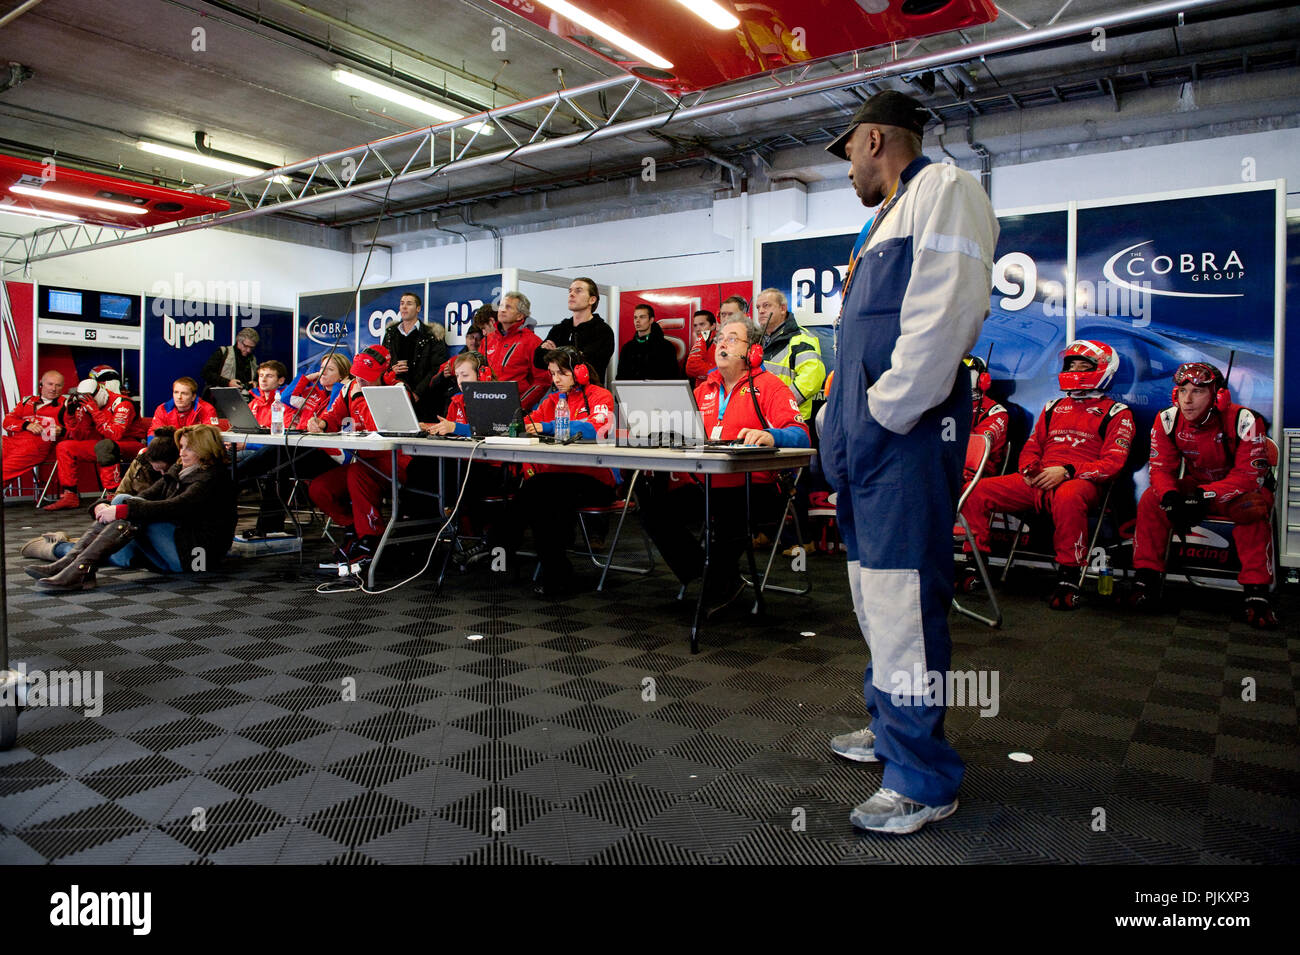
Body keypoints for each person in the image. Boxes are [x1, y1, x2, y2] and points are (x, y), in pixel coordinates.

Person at [821, 89, 999, 834]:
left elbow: (947, 313)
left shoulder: (944, 190)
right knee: (872, 594)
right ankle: (890, 727)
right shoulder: (880, 219)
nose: (848, 172)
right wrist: (841, 422)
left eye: (849, 155)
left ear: (873, 140)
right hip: (865, 439)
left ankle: (923, 775)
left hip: (905, 434)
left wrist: (887, 412)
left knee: (904, 605)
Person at [637, 318, 809, 614]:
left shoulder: (770, 386)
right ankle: (715, 579)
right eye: (720, 339)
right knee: (653, 510)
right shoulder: (704, 388)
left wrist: (771, 435)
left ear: (752, 351)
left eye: (732, 338)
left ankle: (716, 582)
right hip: (708, 485)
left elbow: (800, 434)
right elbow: (686, 433)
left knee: (729, 510)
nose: (722, 344)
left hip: (759, 488)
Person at [960, 340, 1134, 608]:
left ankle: (1068, 576)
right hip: (1039, 479)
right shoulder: (1053, 407)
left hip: (1080, 482)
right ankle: (977, 565)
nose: (1074, 369)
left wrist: (1067, 471)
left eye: (1082, 365)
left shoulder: (1117, 413)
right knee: (978, 491)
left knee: (1068, 496)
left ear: (1102, 370)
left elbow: (1113, 464)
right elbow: (1032, 446)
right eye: (1071, 364)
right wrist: (1029, 469)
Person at [1128, 361, 1279, 629]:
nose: (1187, 399)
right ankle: (1146, 579)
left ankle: (1256, 592)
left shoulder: (1244, 420)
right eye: (1182, 390)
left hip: (1238, 492)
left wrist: (1202, 495)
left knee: (1253, 507)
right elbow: (1161, 469)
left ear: (1218, 396)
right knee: (1153, 498)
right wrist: (1171, 496)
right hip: (1198, 488)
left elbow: (1248, 478)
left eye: (1197, 391)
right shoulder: (1167, 419)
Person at [25, 424, 235, 589]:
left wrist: (120, 509)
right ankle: (70, 564)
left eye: (189, 448)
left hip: (197, 557)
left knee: (123, 512)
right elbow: (143, 496)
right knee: (120, 519)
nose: (182, 453)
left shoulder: (213, 477)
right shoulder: (182, 470)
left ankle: (62, 556)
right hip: (173, 548)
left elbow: (175, 507)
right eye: (181, 446)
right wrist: (103, 505)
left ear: (204, 448)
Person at [478, 347, 617, 596]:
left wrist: (548, 426)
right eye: (552, 374)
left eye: (562, 373)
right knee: (536, 497)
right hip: (554, 481)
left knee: (539, 493)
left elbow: (598, 429)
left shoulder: (600, 396)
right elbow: (528, 423)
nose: (556, 379)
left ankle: (505, 560)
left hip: (594, 480)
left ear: (580, 371)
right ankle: (529, 566)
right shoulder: (551, 400)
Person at [306, 345, 409, 562]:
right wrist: (321, 422)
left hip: (394, 463)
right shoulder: (350, 387)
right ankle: (354, 529)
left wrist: (358, 397)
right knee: (320, 488)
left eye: (367, 376)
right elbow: (333, 416)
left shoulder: (397, 389)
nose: (360, 380)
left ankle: (370, 539)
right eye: (358, 375)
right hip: (364, 462)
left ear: (383, 372)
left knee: (356, 473)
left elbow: (379, 428)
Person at [44, 365, 149, 509]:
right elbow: (79, 435)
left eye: (89, 398)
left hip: (130, 445)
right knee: (65, 446)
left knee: (105, 445)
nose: (87, 402)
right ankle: (70, 495)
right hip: (102, 444)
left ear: (99, 392)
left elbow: (115, 434)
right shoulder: (87, 405)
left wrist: (94, 411)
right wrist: (71, 415)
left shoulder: (123, 403)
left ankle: (113, 494)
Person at [754, 287, 826, 420]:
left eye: (766, 305)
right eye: (758, 307)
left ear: (783, 308)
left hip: (791, 420)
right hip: (761, 419)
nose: (761, 311)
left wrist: (781, 403)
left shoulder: (801, 339)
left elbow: (812, 379)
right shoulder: (756, 341)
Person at [533, 277, 615, 385]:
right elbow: (538, 359)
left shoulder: (603, 331)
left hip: (589, 395)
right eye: (570, 291)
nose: (571, 294)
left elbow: (588, 365)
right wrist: (570, 355)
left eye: (578, 291)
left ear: (592, 300)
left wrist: (555, 353)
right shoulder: (559, 329)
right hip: (560, 393)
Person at [483, 292, 550, 411]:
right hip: (486, 405)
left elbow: (542, 381)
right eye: (501, 306)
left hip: (515, 410)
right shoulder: (488, 340)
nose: (502, 310)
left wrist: (518, 405)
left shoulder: (532, 341)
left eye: (508, 307)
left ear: (520, 316)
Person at [380, 292, 447, 402]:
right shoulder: (390, 334)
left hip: (424, 398)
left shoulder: (431, 334)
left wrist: (417, 393)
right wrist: (392, 370)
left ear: (418, 308)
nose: (404, 307)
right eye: (402, 303)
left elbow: (437, 367)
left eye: (409, 303)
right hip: (395, 393)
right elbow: (382, 363)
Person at [2, 369, 65, 486]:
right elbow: (7, 422)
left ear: (62, 387)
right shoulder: (27, 401)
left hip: (36, 448)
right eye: (50, 384)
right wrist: (26, 425)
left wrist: (62, 431)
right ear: (41, 384)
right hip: (13, 442)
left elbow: (78, 431)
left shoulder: (66, 405)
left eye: (58, 385)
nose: (53, 389)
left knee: (4, 470)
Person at [961, 354, 1009, 485]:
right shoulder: (945, 406)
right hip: (946, 468)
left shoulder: (996, 413)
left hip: (976, 476)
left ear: (982, 379)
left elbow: (976, 452)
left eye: (963, 371)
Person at [616, 303, 681, 381]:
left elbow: (672, 377)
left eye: (642, 317)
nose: (637, 321)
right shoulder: (627, 348)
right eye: (635, 317)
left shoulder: (666, 347)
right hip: (632, 392)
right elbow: (620, 378)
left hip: (658, 392)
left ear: (651, 320)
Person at [148, 376, 219, 437]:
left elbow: (210, 436)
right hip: (169, 447)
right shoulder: (162, 409)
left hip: (197, 449)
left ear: (193, 397)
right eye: (176, 392)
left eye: (184, 393)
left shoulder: (207, 409)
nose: (179, 397)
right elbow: (154, 432)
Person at [202, 327, 259, 399]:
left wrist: (255, 383)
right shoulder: (223, 352)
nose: (248, 350)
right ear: (238, 341)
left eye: (252, 347)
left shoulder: (252, 359)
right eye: (246, 346)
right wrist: (227, 383)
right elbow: (206, 373)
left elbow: (255, 380)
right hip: (221, 400)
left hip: (244, 400)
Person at [683, 309, 718, 385]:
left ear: (713, 326)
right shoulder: (703, 341)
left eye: (702, 324)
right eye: (695, 325)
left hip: (716, 390)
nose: (698, 329)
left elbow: (692, 366)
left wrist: (717, 374)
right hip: (705, 390)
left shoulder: (719, 341)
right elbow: (691, 368)